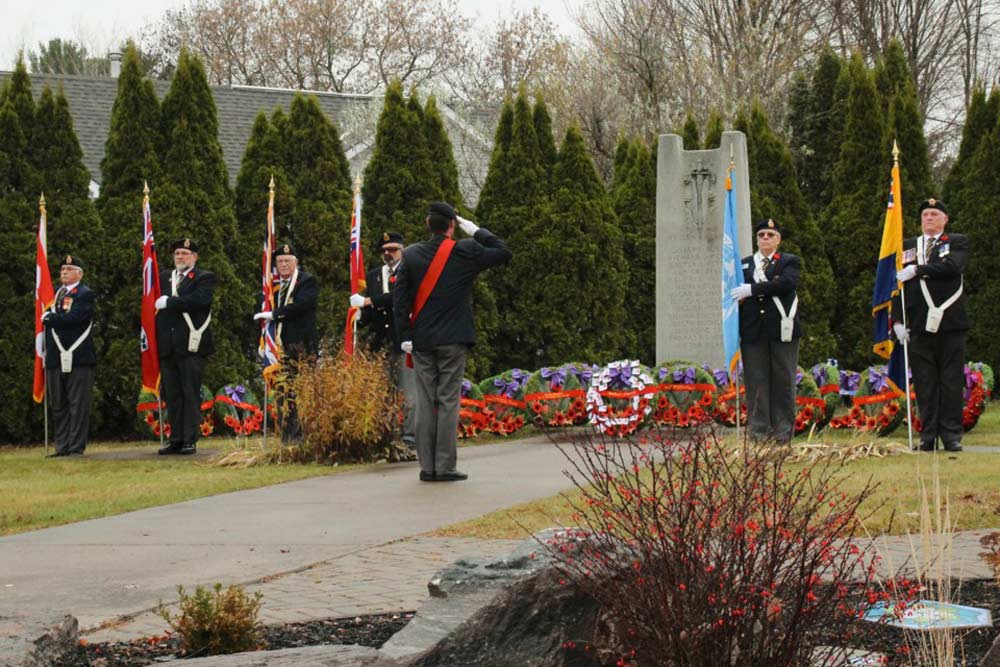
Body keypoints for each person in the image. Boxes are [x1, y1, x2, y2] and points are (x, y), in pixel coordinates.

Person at [393, 202, 511, 482]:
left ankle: (427, 467)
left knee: (425, 401)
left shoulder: (410, 255)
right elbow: (503, 252)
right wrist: (478, 231)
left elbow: (400, 300)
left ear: (427, 224)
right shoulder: (466, 250)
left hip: (421, 340)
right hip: (453, 339)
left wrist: (405, 337)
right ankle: (444, 467)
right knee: (447, 401)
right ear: (452, 226)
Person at [893, 198, 968, 452]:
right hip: (919, 323)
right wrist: (897, 321)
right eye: (926, 214)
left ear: (945, 219)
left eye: (935, 214)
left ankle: (951, 435)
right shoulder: (907, 246)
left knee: (950, 380)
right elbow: (898, 287)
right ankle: (928, 434)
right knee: (925, 381)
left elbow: (952, 267)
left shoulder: (955, 242)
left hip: (949, 323)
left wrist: (918, 270)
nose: (929, 218)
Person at [730, 219, 802, 444]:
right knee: (756, 383)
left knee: (783, 381)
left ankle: (783, 436)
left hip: (782, 330)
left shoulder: (789, 261)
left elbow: (787, 284)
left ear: (778, 239)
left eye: (770, 234)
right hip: (753, 332)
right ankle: (758, 436)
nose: (765, 238)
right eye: (761, 234)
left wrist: (752, 289)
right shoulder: (743, 265)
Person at [351, 231, 415, 446]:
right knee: (384, 393)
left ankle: (410, 436)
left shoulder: (410, 271)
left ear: (402, 250)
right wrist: (359, 317)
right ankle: (389, 435)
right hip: (382, 342)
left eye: (393, 249)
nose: (389, 254)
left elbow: (398, 297)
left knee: (408, 393)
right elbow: (374, 312)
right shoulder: (374, 275)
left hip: (405, 341)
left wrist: (368, 301)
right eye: (385, 250)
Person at [155, 238, 215, 455]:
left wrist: (170, 302)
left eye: (185, 254)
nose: (180, 257)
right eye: (177, 253)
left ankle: (190, 439)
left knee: (190, 393)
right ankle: (176, 439)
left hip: (191, 344)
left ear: (195, 257)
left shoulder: (203, 277)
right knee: (172, 395)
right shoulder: (163, 277)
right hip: (167, 345)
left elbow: (199, 300)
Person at [254, 243, 318, 443]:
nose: (283, 265)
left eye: (288, 261)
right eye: (280, 261)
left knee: (298, 390)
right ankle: (286, 435)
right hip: (279, 347)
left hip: (300, 346)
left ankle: (300, 434)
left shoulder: (306, 281)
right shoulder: (272, 286)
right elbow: (261, 307)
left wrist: (275, 314)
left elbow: (301, 306)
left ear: (296, 262)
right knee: (282, 391)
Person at [41, 254, 96, 457]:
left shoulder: (85, 294)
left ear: (79, 274)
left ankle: (75, 447)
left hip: (78, 357)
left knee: (77, 404)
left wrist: (50, 318)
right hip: (55, 356)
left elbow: (75, 318)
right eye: (63, 268)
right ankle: (61, 447)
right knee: (59, 405)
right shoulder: (53, 293)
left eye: (69, 269)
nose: (64, 271)